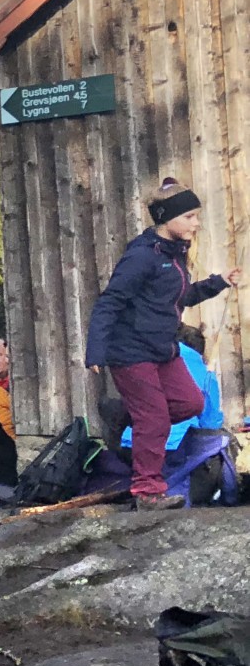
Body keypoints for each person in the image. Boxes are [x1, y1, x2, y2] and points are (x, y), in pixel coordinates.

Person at [87, 177, 241, 510]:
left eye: (197, 216)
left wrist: (219, 283)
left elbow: (182, 296)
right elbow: (109, 301)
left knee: (190, 404)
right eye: (190, 217)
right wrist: (95, 350)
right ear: (166, 217)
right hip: (129, 351)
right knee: (154, 419)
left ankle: (132, 417)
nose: (197, 224)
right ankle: (147, 492)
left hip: (163, 349)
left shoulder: (174, 256)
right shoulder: (142, 256)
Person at [121, 323, 224, 454]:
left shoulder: (150, 360)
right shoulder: (207, 376)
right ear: (200, 350)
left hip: (131, 442)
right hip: (177, 448)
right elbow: (211, 424)